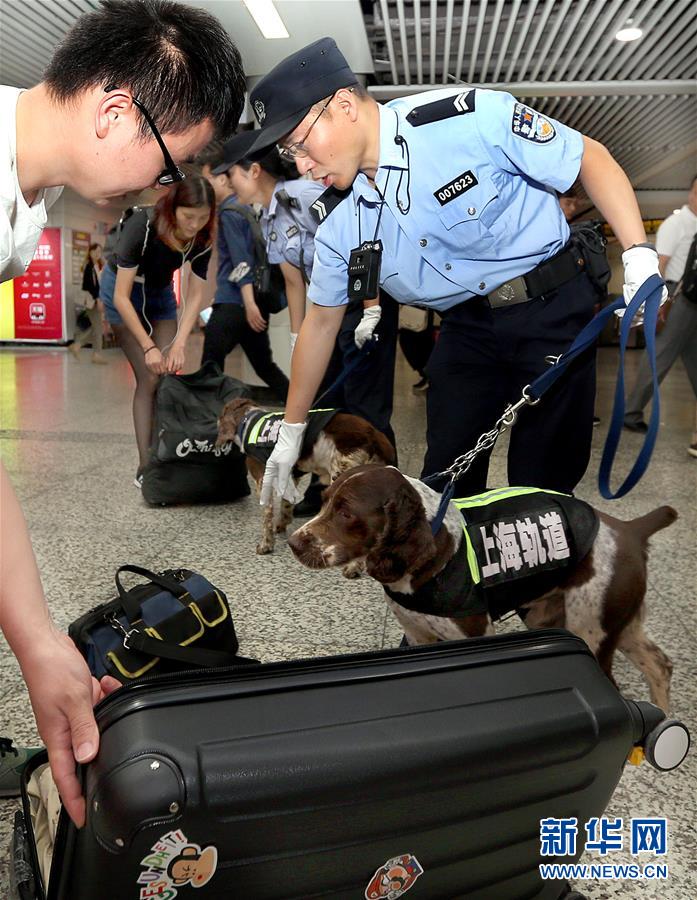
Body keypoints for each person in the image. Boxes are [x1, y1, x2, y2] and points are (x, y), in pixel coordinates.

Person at [0, 0, 244, 824]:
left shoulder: (22, 209)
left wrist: (39, 640)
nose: (167, 185)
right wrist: (37, 641)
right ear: (116, 113)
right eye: (171, 162)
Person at [244, 38, 665, 507]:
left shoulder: (468, 121)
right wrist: (293, 429)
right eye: (289, 153)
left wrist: (639, 254)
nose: (300, 164)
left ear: (344, 104)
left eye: (301, 143)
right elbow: (320, 323)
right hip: (466, 327)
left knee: (542, 488)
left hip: (550, 306)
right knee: (443, 481)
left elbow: (589, 157)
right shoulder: (340, 218)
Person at [217, 130, 399, 513]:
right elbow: (293, 279)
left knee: (367, 405)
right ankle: (327, 492)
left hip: (365, 301)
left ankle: (384, 496)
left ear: (253, 171)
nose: (227, 184)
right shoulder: (265, 217)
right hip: (325, 312)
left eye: (229, 175)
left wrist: (371, 308)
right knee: (325, 404)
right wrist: (300, 338)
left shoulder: (304, 193)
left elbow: (361, 238)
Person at [102, 177, 216, 485]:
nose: (194, 225)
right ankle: (145, 466)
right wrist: (148, 347)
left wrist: (180, 342)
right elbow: (121, 298)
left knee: (166, 373)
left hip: (160, 293)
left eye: (202, 217)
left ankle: (165, 453)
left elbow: (194, 294)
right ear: (173, 207)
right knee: (148, 375)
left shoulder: (202, 236)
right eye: (188, 216)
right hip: (123, 293)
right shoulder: (144, 224)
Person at [199, 142, 289, 403]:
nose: (207, 186)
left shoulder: (230, 211)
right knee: (265, 366)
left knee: (210, 366)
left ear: (223, 179)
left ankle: (207, 417)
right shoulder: (247, 210)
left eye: (209, 180)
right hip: (250, 304)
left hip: (233, 303)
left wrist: (248, 304)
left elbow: (241, 262)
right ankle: (302, 406)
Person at [623, 175, 697, 436]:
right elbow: (660, 263)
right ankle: (631, 412)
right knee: (661, 355)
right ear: (690, 192)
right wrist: (658, 302)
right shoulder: (676, 223)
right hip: (678, 299)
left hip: (693, 299)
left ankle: (631, 411)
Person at [69, 243, 108, 364]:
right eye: (96, 251)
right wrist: (98, 299)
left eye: (99, 252)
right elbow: (88, 286)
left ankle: (78, 345)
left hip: (96, 299)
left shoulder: (97, 266)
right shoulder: (89, 266)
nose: (98, 254)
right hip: (92, 301)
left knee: (98, 328)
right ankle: (96, 354)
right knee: (98, 328)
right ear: (90, 252)